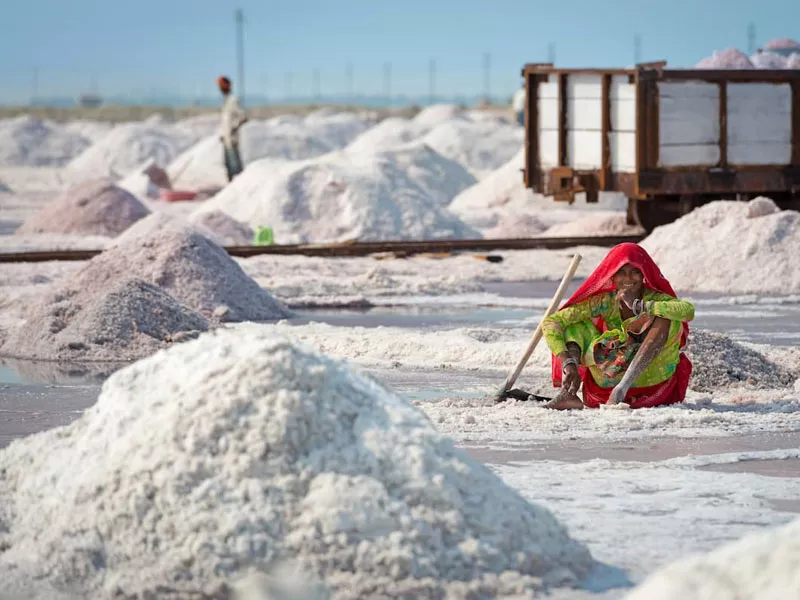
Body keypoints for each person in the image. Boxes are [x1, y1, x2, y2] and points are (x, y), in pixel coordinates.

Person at [541, 243, 695, 410]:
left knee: (668, 317)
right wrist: (567, 362)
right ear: (612, 276)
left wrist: (641, 306)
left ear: (644, 275)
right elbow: (551, 322)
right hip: (608, 379)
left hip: (651, 381)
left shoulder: (655, 299)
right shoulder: (605, 301)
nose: (628, 279)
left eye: (634, 271)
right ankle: (569, 393)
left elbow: (687, 311)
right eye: (621, 272)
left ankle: (623, 386)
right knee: (574, 325)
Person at [217, 76, 248, 182]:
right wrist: (223, 134)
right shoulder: (226, 102)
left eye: (221, 86)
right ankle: (231, 187)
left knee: (235, 165)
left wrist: (234, 128)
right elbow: (226, 121)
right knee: (228, 165)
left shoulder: (233, 101)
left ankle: (240, 185)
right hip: (226, 138)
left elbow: (243, 117)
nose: (220, 89)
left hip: (232, 138)